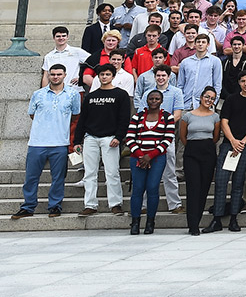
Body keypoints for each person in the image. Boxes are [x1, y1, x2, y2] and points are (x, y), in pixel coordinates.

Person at [12, 63, 80, 220]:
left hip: (60, 143)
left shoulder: (72, 94)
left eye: (58, 74)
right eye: (53, 74)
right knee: (31, 177)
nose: (55, 77)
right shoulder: (38, 94)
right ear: (48, 75)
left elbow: (76, 116)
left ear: (64, 75)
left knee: (58, 177)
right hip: (37, 142)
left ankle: (55, 205)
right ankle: (28, 206)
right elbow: (32, 114)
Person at [205, 72, 246, 233]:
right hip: (228, 144)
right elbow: (224, 121)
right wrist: (232, 140)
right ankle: (216, 219)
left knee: (239, 181)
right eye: (243, 81)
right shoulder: (231, 99)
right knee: (221, 179)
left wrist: (243, 142)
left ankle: (233, 219)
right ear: (239, 82)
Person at [73, 64, 131, 217]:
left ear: (113, 76)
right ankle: (90, 204)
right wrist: (77, 141)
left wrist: (119, 137)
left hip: (110, 138)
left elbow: (124, 118)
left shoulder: (121, 95)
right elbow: (83, 119)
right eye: (102, 74)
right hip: (91, 137)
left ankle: (115, 204)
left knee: (112, 172)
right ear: (98, 77)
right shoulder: (91, 96)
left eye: (107, 74)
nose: (104, 77)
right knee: (90, 173)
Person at [125, 89, 176, 235]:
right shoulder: (138, 117)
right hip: (138, 157)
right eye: (151, 99)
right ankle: (135, 223)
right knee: (138, 189)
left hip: (157, 157)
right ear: (146, 101)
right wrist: (141, 156)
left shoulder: (168, 117)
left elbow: (167, 139)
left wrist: (150, 156)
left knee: (153, 188)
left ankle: (150, 222)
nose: (154, 101)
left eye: (156, 99)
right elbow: (129, 138)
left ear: (161, 101)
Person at [179, 86, 220, 235]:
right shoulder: (187, 116)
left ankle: (198, 218)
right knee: (193, 187)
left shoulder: (215, 117)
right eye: (207, 96)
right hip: (192, 152)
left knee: (204, 188)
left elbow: (216, 137)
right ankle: (193, 224)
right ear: (201, 97)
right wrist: (192, 145)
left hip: (208, 152)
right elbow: (183, 136)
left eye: (212, 98)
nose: (209, 100)